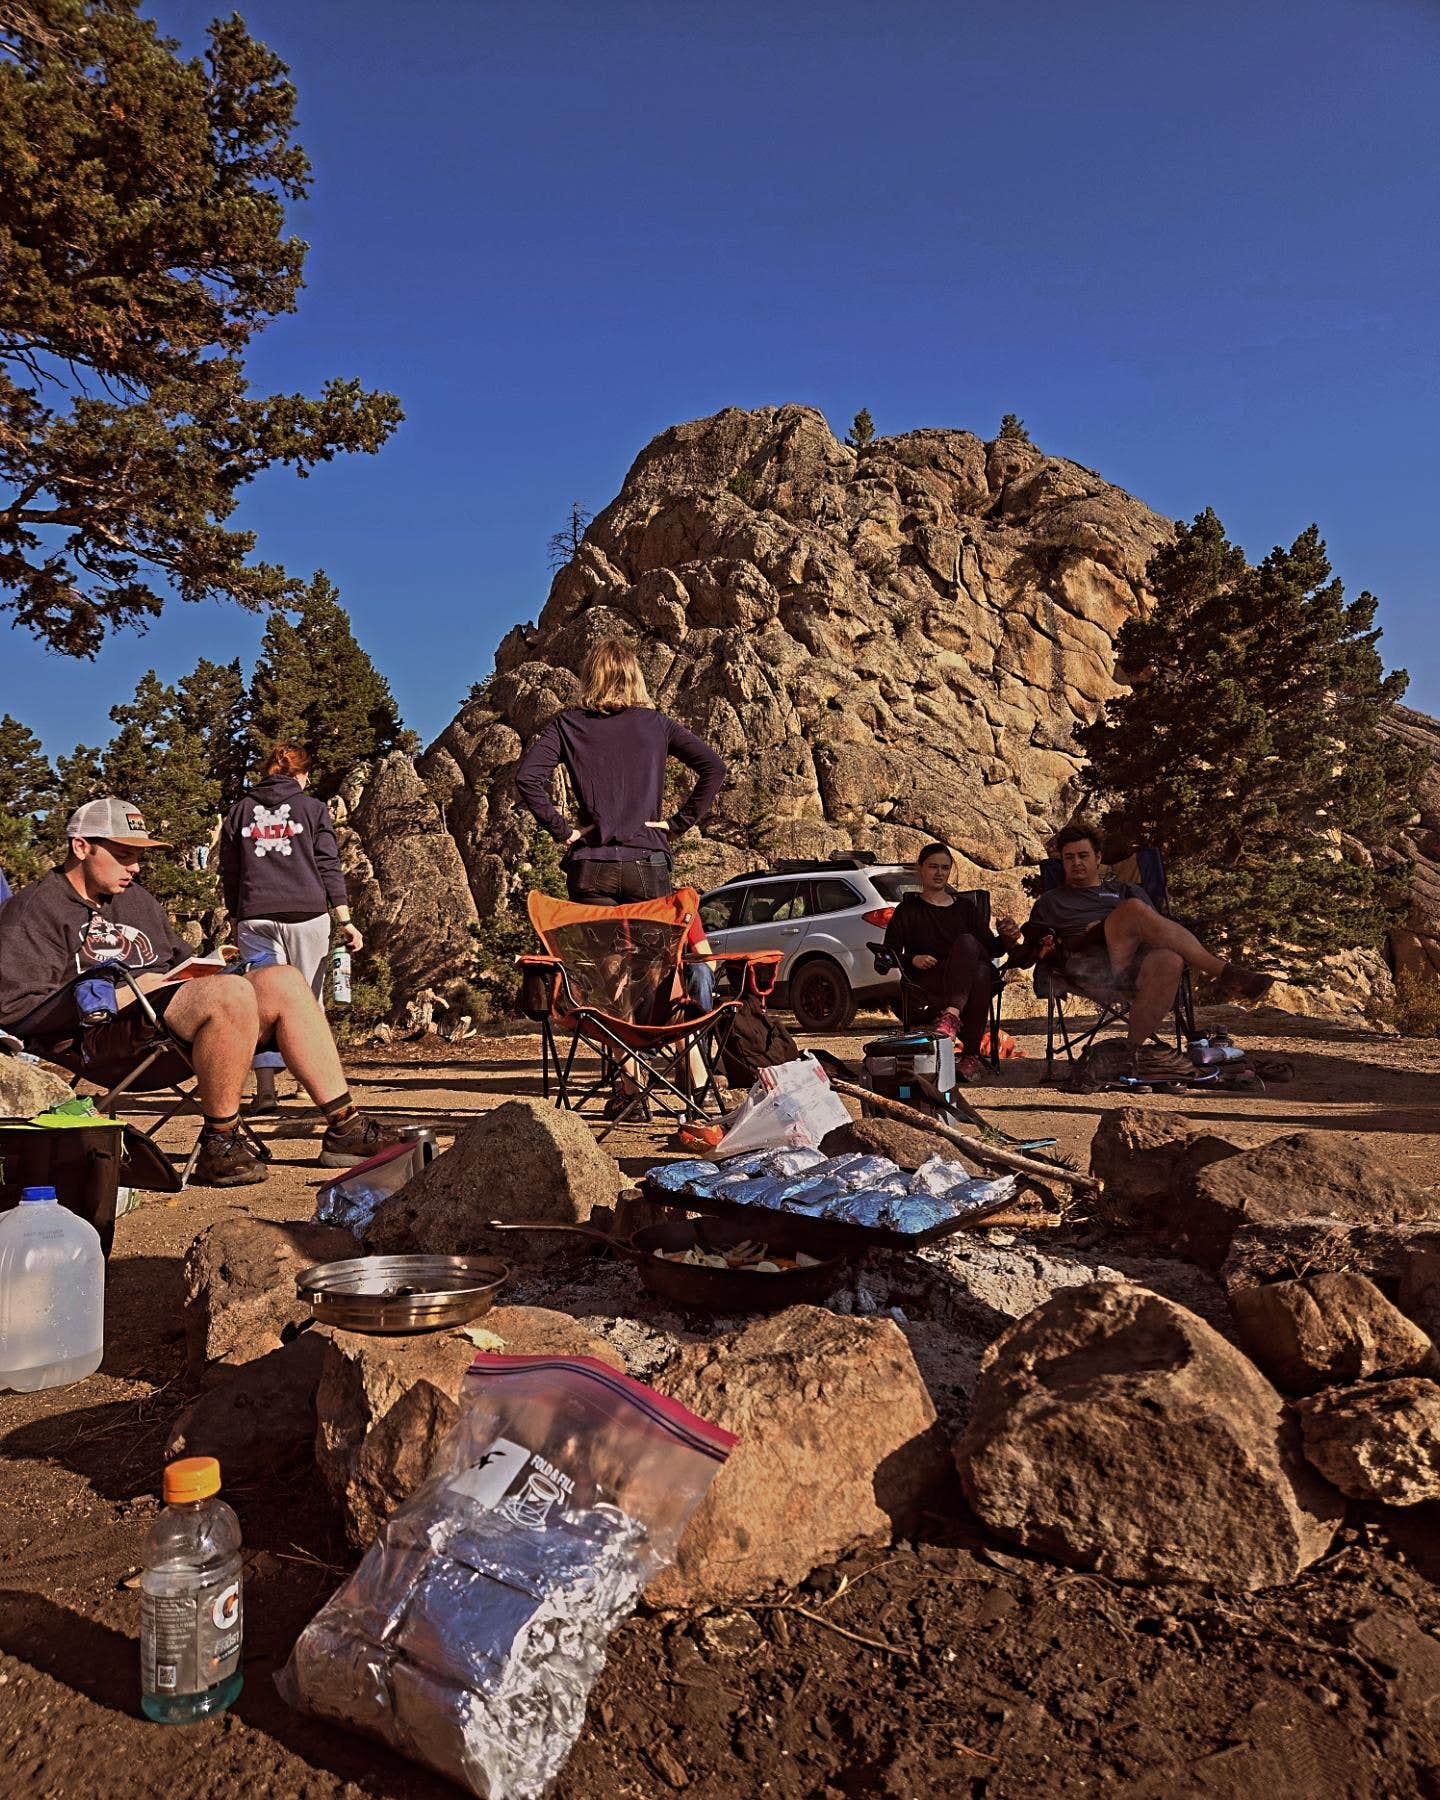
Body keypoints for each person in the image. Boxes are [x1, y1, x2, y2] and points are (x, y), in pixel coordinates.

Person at [0, 797, 406, 1187]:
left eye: (140, 856)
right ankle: (221, 1140)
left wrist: (206, 967)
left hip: (173, 1032)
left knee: (283, 980)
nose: (136, 868)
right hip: (103, 1043)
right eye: (124, 855)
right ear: (81, 846)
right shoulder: (35, 909)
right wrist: (121, 995)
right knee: (228, 995)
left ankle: (344, 1126)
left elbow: (180, 962)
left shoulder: (136, 901)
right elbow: (16, 1008)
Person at [999, 822, 1274, 1059]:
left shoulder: (1124, 889)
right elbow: (1028, 955)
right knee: (1131, 909)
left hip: (1133, 962)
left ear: (1098, 858)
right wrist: (1011, 941)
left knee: (1170, 958)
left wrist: (1116, 924)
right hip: (1087, 963)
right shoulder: (1051, 901)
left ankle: (1129, 1054)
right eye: (1069, 858)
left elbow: (1156, 928)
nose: (1076, 863)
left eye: (1083, 855)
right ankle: (1227, 973)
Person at [514, 637, 727, 905]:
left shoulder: (567, 725)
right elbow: (715, 768)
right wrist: (676, 825)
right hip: (647, 862)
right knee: (650, 947)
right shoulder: (657, 725)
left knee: (597, 948)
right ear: (635, 678)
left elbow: (527, 778)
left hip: (591, 864)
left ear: (591, 677)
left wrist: (563, 831)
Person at [219, 744, 361, 1117]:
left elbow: (229, 874)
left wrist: (237, 917)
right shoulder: (313, 809)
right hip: (307, 915)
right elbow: (329, 865)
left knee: (260, 1006)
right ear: (302, 775)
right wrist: (345, 920)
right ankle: (308, 1087)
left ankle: (265, 1090)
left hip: (256, 916)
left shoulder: (239, 811)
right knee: (307, 1006)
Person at [883, 843, 1017, 1080]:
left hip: (968, 981)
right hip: (930, 979)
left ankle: (951, 1017)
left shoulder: (965, 908)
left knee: (973, 955)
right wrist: (912, 959)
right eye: (933, 866)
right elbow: (887, 953)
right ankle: (971, 1056)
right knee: (980, 970)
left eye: (945, 868)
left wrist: (1007, 936)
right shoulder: (908, 909)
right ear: (920, 869)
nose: (939, 873)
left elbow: (992, 948)